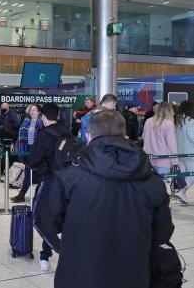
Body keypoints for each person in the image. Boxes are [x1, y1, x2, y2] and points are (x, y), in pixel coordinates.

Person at [37, 110, 174, 288]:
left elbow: (51, 223)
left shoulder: (68, 177)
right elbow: (163, 233)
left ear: (88, 137)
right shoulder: (153, 182)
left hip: (78, 276)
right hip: (132, 276)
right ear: (126, 137)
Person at [21, 103, 69, 272]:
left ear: (43, 117)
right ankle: (44, 255)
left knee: (38, 219)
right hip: (67, 182)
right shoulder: (66, 132)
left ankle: (63, 251)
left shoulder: (44, 135)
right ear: (57, 116)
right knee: (53, 218)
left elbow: (33, 161)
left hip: (48, 181)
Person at [10, 103, 44, 203]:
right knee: (28, 173)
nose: (32, 112)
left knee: (31, 173)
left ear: (39, 112)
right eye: (31, 110)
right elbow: (18, 134)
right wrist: (13, 143)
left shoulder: (41, 123)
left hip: (36, 150)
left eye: (34, 110)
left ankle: (23, 195)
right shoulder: (25, 121)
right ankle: (22, 195)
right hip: (26, 149)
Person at [143, 101, 178, 177]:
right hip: (163, 160)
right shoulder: (168, 124)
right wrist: (175, 162)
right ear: (168, 111)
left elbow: (144, 137)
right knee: (162, 186)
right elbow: (172, 146)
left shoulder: (148, 121)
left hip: (149, 159)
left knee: (151, 185)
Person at [175, 100, 194, 204]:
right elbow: (192, 137)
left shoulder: (178, 120)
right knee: (192, 174)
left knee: (183, 175)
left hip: (179, 152)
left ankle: (181, 197)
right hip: (190, 153)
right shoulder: (191, 121)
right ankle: (182, 192)